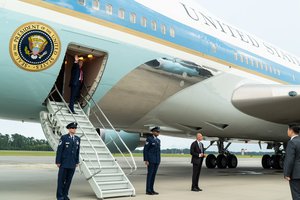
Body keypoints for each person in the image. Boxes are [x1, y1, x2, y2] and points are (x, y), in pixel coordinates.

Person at [56, 122, 81, 200]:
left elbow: (77, 151)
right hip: (64, 163)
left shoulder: (77, 139)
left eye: (75, 128)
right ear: (69, 129)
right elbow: (59, 150)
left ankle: (65, 195)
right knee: (61, 180)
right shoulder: (64, 138)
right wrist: (58, 161)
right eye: (73, 128)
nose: (74, 129)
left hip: (72, 163)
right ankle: (60, 196)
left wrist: (77, 162)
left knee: (68, 181)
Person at [284, 123, 300, 200]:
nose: (287, 131)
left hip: (296, 174)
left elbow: (290, 159)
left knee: (296, 195)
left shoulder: (292, 142)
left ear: (291, 131)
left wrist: (287, 173)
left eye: (288, 129)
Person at [143, 126, 161, 195]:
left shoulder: (158, 140)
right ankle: (148, 190)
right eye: (157, 131)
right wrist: (146, 159)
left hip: (156, 160)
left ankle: (152, 189)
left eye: (158, 132)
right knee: (150, 175)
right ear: (153, 132)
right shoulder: (149, 139)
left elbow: (158, 151)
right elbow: (145, 150)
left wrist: (159, 160)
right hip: (150, 160)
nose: (158, 133)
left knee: (153, 175)